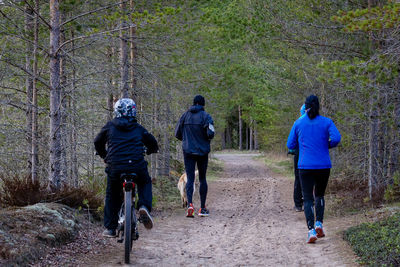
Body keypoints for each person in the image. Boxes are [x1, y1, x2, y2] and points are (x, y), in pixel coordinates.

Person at [94, 98, 159, 237]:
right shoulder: (139, 128)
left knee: (112, 193)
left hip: (115, 166)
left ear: (116, 111)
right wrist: (150, 150)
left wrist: (104, 155)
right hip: (136, 165)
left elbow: (97, 141)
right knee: (145, 182)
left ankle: (110, 228)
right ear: (133, 111)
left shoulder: (110, 126)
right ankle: (143, 206)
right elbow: (153, 143)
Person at [287, 95, 341, 243]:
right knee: (320, 195)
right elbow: (336, 138)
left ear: (305, 106)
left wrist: (303, 145)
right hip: (323, 165)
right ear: (318, 106)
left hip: (305, 166)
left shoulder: (298, 123)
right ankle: (319, 224)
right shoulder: (326, 122)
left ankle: (311, 231)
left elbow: (290, 145)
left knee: (308, 199)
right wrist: (327, 145)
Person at [175, 95, 215, 217]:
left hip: (188, 152)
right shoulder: (206, 116)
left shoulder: (184, 116)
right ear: (203, 105)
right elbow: (211, 133)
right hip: (202, 152)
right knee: (202, 178)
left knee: (190, 178)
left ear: (193, 103)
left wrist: (186, 140)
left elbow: (177, 134)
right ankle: (202, 208)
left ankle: (190, 205)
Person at [288, 104, 306, 212]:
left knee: (298, 178)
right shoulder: (318, 121)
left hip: (300, 154)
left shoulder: (298, 122)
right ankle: (312, 202)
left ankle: (298, 204)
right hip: (313, 155)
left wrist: (292, 150)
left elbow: (291, 143)